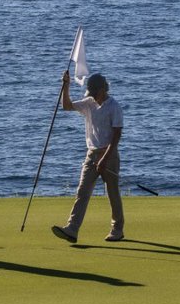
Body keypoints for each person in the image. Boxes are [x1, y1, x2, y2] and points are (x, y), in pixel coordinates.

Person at [51, 71, 125, 244]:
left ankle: (117, 229)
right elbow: (67, 106)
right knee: (82, 191)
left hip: (109, 154)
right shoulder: (89, 103)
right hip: (91, 154)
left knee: (112, 193)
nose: (92, 96)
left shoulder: (114, 107)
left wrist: (105, 159)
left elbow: (116, 137)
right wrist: (66, 86)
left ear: (102, 90)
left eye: (94, 93)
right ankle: (72, 229)